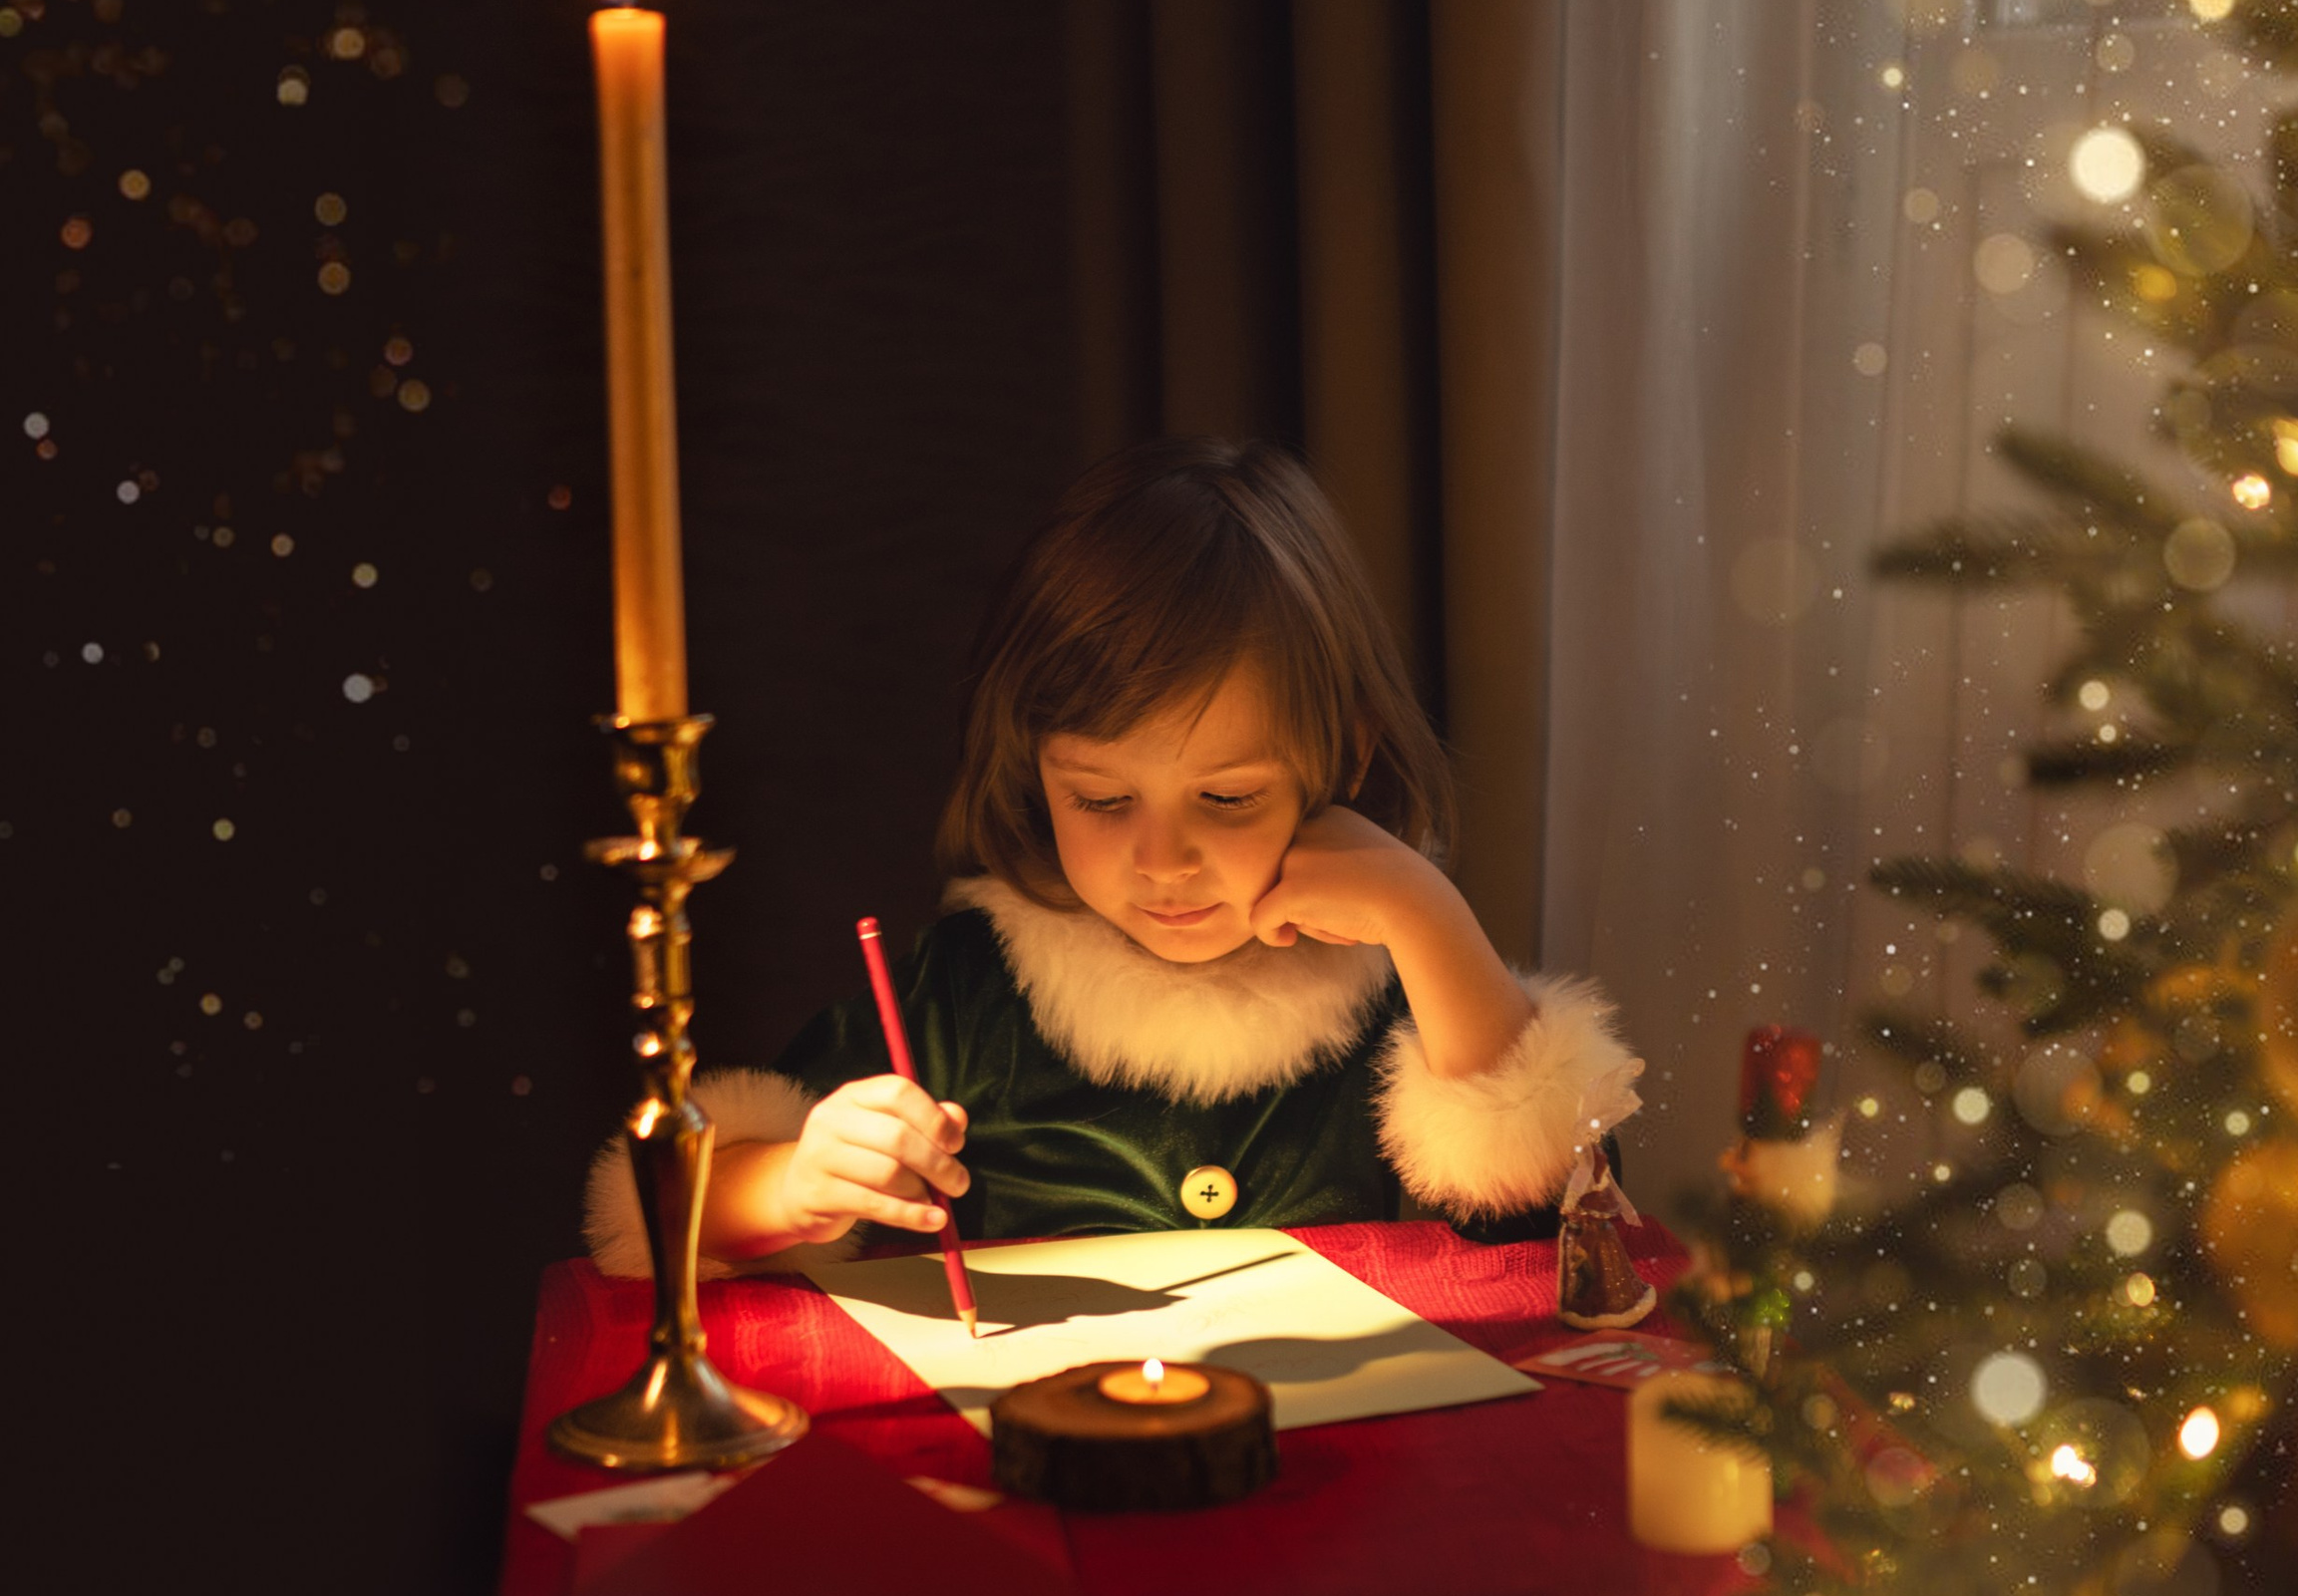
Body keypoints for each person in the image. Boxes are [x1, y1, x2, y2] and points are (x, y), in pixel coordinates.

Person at [584, 438, 1637, 1273]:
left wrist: (1426, 914)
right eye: (1100, 798)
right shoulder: (974, 987)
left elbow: (1567, 1231)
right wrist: (790, 1184)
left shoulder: (1390, 978)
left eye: (1227, 798)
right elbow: (672, 1209)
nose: (1162, 860)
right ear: (1034, 766)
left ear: (1344, 756)